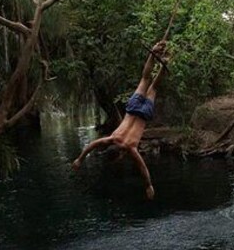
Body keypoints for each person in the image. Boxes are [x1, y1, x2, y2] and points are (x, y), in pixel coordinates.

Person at [71, 40, 170, 199]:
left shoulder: (131, 148)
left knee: (153, 88)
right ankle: (154, 52)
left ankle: (163, 64)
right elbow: (92, 145)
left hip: (143, 114)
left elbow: (143, 169)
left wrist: (149, 186)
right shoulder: (112, 138)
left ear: (120, 155)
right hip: (131, 110)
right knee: (145, 79)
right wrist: (79, 159)